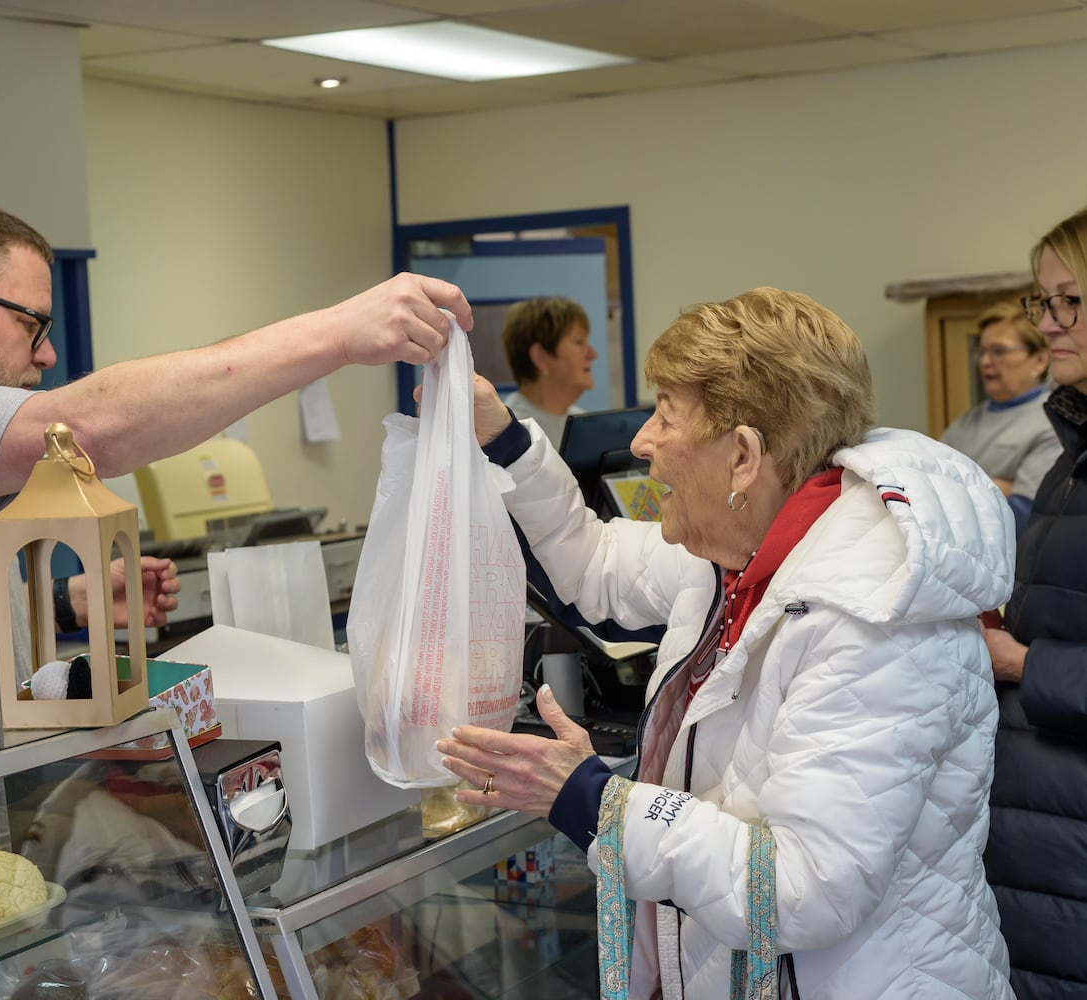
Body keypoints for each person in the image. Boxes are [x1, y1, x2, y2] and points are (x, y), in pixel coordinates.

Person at [436, 287, 1014, 998]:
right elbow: (592, 566)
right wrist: (501, 436)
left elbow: (802, 889)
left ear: (743, 456)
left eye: (665, 415)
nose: (641, 442)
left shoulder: (874, 617)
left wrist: (593, 801)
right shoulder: (737, 556)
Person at [0, 200, 471, 711]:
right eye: (33, 325)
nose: (46, 354)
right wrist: (337, 334)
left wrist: (62, 604)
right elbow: (83, 434)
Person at [982, 206, 1087, 999]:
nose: (1048, 324)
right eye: (1042, 302)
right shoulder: (1071, 461)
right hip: (1044, 840)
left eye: (1071, 302)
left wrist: (1023, 663)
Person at [941, 300, 1058, 530]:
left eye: (999, 351)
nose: (985, 362)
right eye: (981, 351)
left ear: (1040, 360)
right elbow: (927, 491)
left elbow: (1024, 517)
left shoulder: (1052, 422)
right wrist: (995, 488)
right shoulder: (965, 422)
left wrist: (958, 490)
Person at [499, 296, 597, 448]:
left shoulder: (585, 424)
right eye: (579, 342)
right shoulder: (508, 433)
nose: (592, 354)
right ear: (540, 357)